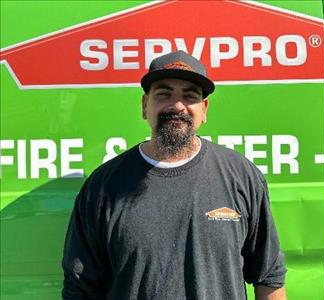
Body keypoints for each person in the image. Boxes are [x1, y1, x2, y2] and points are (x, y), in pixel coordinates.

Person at [62, 50, 287, 300]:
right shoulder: (103, 187)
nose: (177, 105)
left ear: (204, 109)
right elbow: (80, 290)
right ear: (145, 105)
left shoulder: (241, 176)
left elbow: (269, 278)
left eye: (190, 95)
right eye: (164, 94)